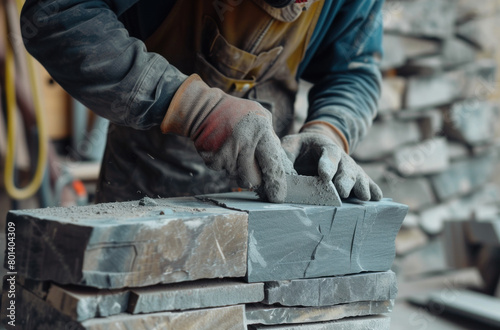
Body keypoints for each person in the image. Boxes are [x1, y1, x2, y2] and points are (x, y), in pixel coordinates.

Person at [21, 0, 384, 203]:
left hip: (269, 193)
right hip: (143, 186)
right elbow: (58, 16)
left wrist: (329, 131)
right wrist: (196, 109)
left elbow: (353, 69)